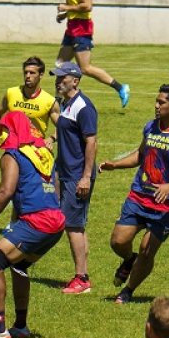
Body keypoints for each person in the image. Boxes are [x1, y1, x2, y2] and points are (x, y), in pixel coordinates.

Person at [0, 111, 65, 338]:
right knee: (19, 265)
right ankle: (20, 326)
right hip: (56, 220)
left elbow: (6, 191)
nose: (1, 134)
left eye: (4, 129)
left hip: (37, 221)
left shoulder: (12, 154)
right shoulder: (42, 152)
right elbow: (57, 186)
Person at [99, 85, 169, 304]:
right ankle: (129, 260)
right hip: (139, 195)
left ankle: (128, 290)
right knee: (118, 241)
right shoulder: (151, 127)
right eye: (156, 102)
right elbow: (140, 154)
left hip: (168, 203)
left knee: (147, 250)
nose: (156, 106)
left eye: (161, 103)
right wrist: (115, 165)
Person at [50, 62, 99, 294]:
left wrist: (86, 177)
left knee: (73, 226)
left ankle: (82, 279)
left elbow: (91, 141)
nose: (58, 81)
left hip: (77, 175)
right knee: (74, 224)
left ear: (75, 81)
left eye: (62, 78)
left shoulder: (84, 107)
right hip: (64, 172)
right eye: (57, 78)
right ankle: (82, 274)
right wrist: (53, 137)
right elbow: (68, 130)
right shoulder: (65, 103)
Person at [56, 0, 130, 108]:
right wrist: (65, 14)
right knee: (61, 65)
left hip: (81, 28)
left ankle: (121, 87)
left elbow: (88, 5)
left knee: (85, 68)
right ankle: (60, 103)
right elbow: (78, 6)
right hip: (72, 26)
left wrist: (66, 7)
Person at [0, 57, 61, 155]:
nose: (28, 76)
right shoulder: (11, 93)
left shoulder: (49, 101)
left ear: (41, 75)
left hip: (35, 150)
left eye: (32, 73)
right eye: (25, 72)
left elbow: (64, 126)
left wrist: (51, 139)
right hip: (13, 147)